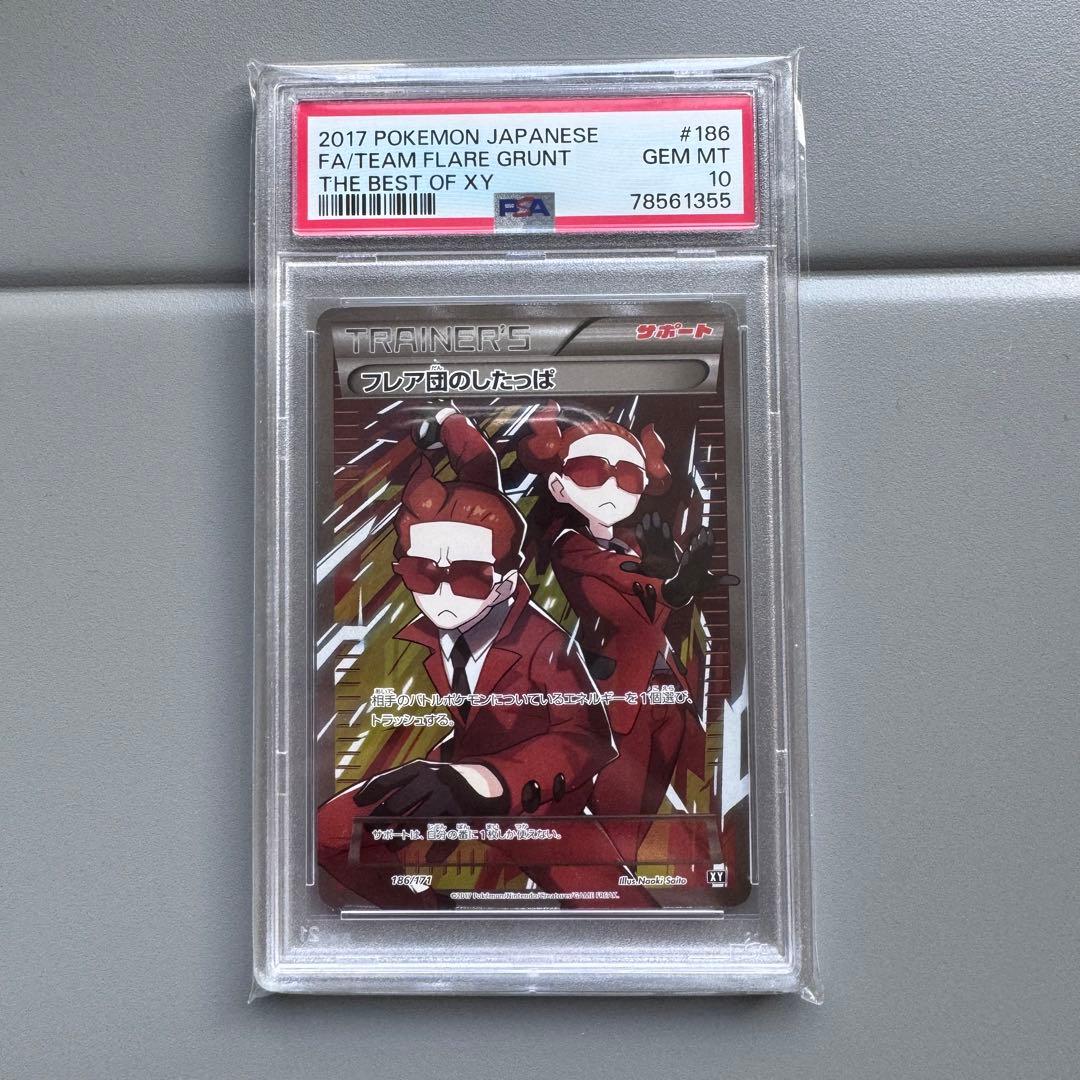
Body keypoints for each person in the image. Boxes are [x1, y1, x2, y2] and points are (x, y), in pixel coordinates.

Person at [318, 407, 652, 908]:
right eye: (423, 573)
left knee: (623, 912)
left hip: (537, 805)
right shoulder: (447, 600)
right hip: (458, 766)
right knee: (330, 832)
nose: (442, 594)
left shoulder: (543, 643)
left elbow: (586, 740)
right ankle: (436, 922)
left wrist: (486, 782)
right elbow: (478, 476)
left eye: (468, 577)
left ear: (505, 584)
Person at [517, 403, 738, 869]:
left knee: (678, 804)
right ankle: (601, 889)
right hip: (618, 698)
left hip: (668, 693)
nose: (612, 487)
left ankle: (646, 885)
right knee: (619, 817)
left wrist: (680, 580)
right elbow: (621, 577)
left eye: (628, 477)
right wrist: (672, 583)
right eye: (591, 471)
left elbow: (658, 602)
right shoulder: (572, 546)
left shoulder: (639, 545)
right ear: (559, 486)